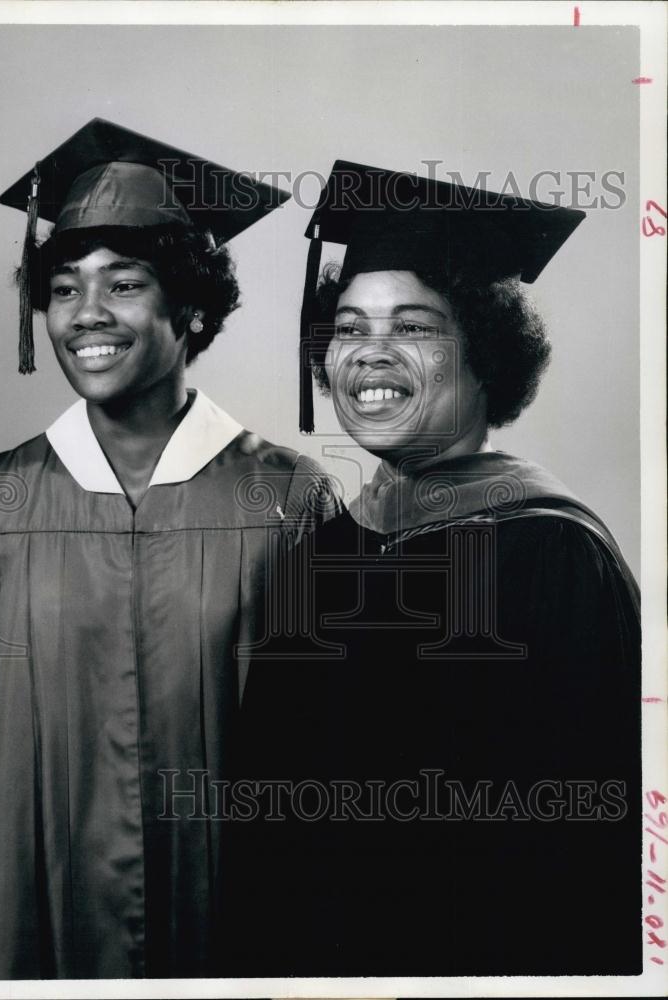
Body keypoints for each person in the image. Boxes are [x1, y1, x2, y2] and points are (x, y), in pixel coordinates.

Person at [0, 119, 341, 980]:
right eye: (63, 289)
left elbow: (336, 772)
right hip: (31, 945)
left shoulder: (290, 503)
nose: (87, 315)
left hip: (240, 942)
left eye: (125, 283)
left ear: (193, 306)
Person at [236, 162, 641, 977]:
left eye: (414, 327)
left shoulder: (552, 555)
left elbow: (581, 862)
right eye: (348, 328)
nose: (370, 355)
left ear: (488, 355)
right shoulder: (322, 554)